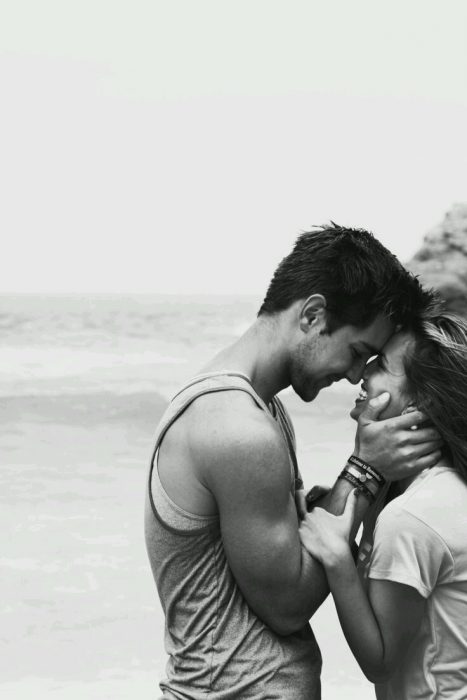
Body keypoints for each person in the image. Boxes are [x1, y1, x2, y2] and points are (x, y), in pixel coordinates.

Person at [145, 224, 441, 699]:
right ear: (312, 314)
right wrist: (365, 470)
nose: (352, 375)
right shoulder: (239, 430)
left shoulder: (259, 407)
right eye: (357, 352)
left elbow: (287, 554)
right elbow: (288, 604)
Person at [299, 310, 467, 699]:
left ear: (418, 404)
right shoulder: (413, 493)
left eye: (382, 365)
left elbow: (381, 662)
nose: (362, 374)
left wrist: (338, 556)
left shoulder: (413, 515)